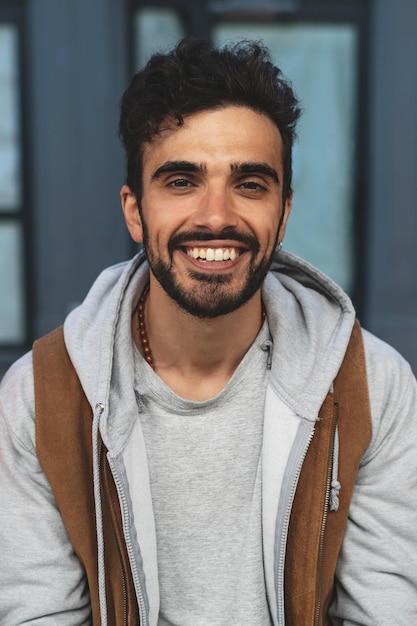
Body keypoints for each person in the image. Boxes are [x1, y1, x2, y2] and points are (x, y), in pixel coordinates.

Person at [0, 37, 416, 626]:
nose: (216, 215)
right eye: (180, 182)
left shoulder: (372, 385)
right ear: (134, 210)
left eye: (250, 184)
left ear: (285, 211)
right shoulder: (40, 398)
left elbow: (386, 612)